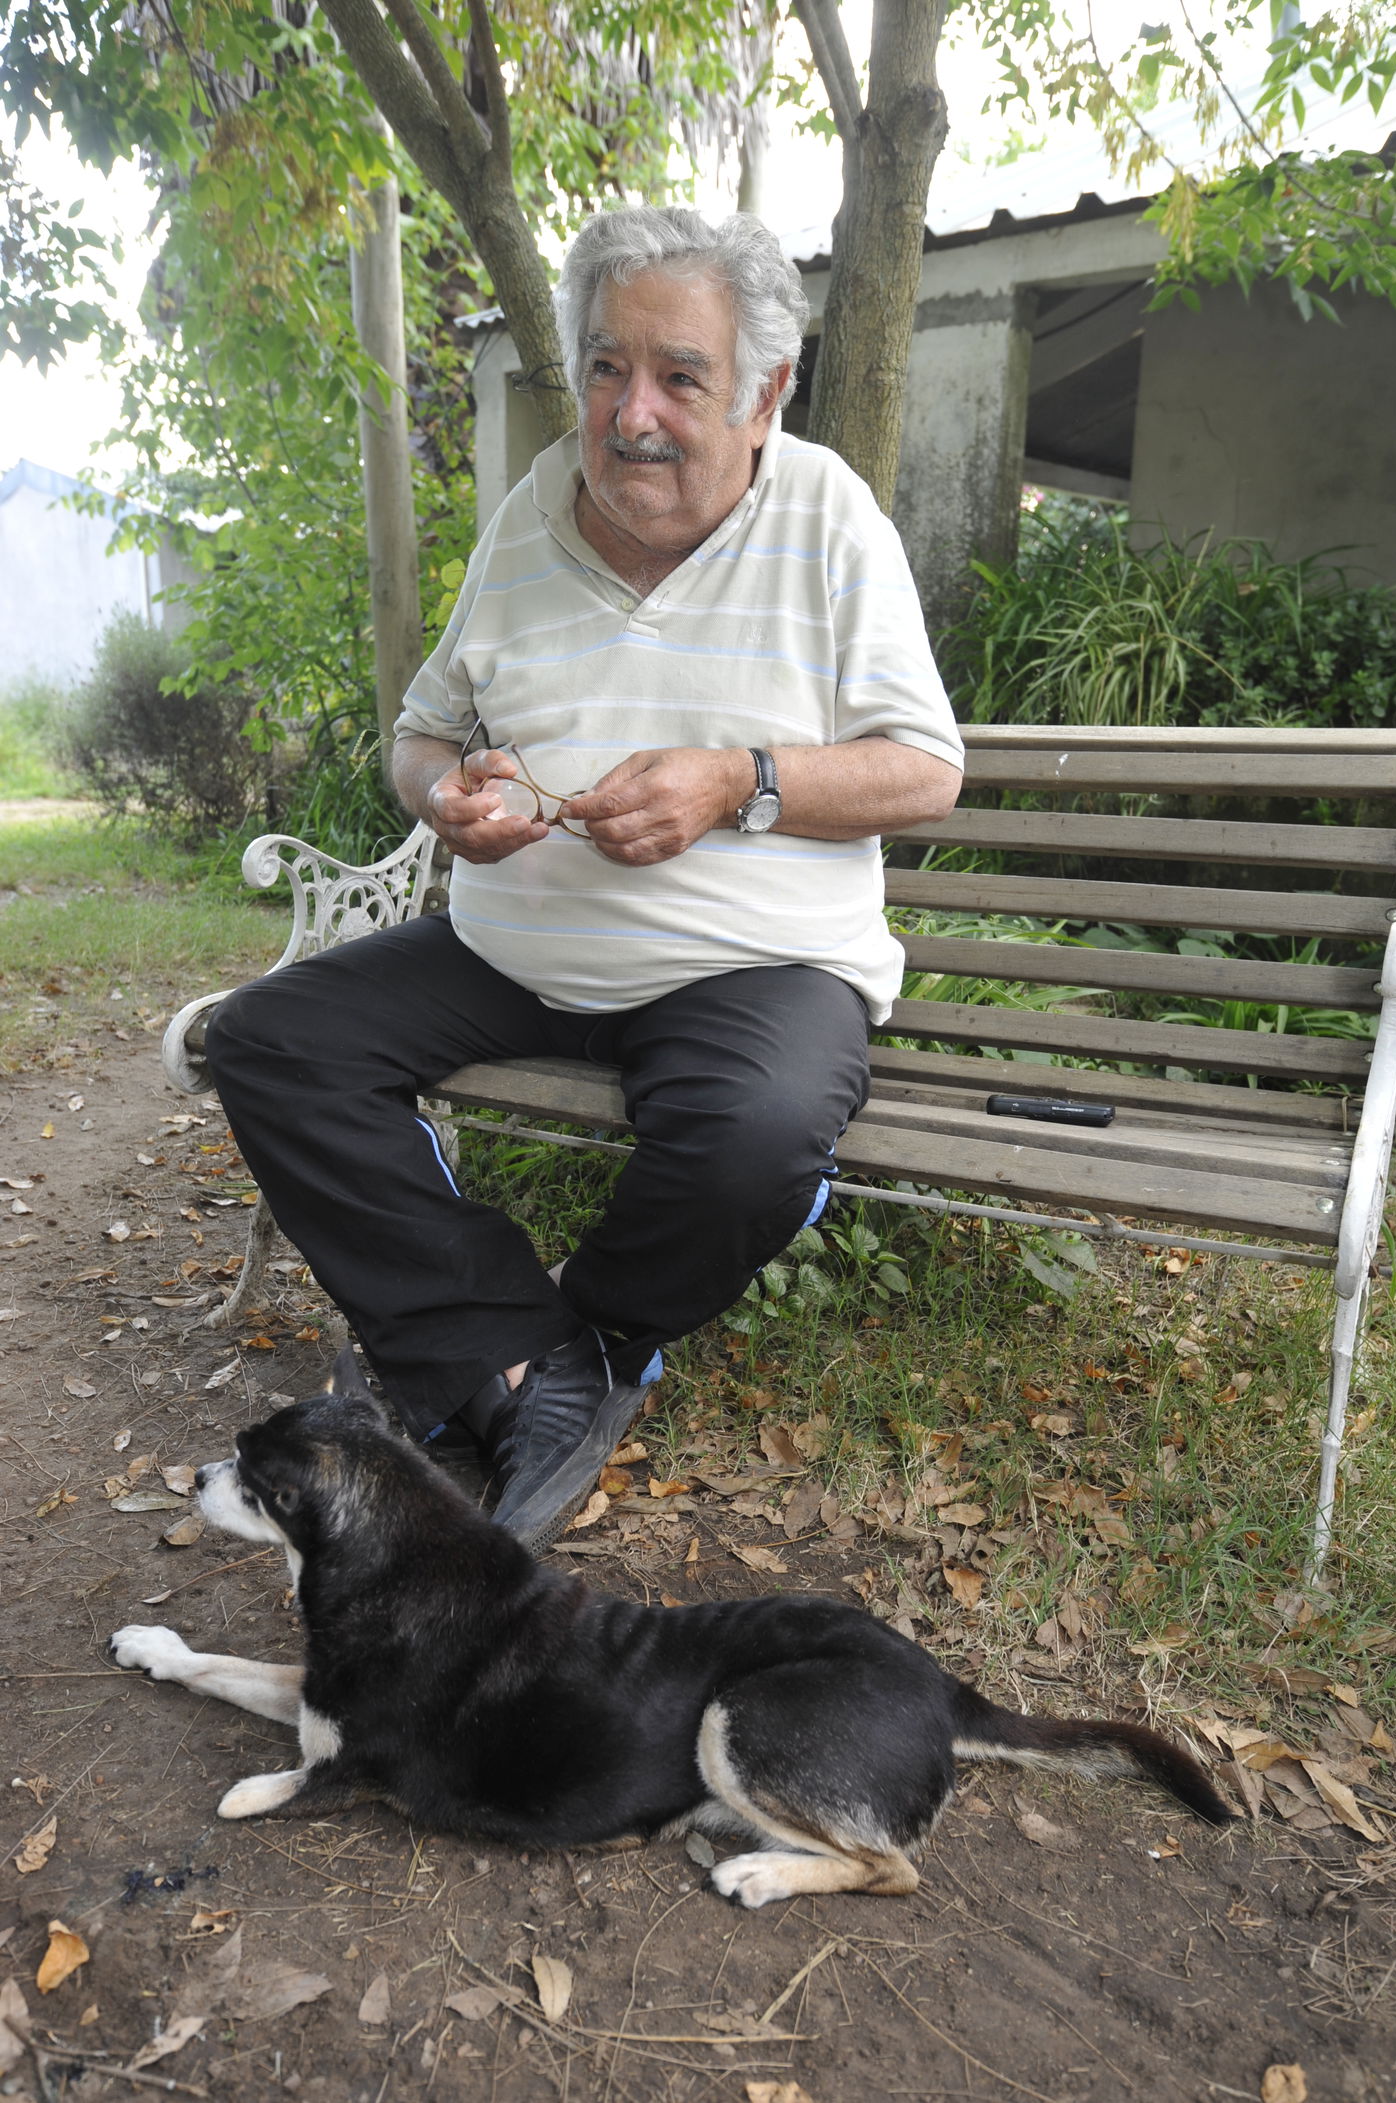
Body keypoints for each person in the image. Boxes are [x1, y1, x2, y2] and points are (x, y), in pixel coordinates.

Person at [204, 204, 964, 1552]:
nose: (633, 415)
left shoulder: (829, 517)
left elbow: (923, 770)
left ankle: (591, 1340)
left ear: (765, 392)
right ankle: (514, 1361)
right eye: (608, 368)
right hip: (513, 944)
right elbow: (421, 731)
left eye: (681, 376)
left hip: (754, 968)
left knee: (753, 1137)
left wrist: (740, 781)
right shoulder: (525, 519)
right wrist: (444, 797)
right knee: (267, 1042)